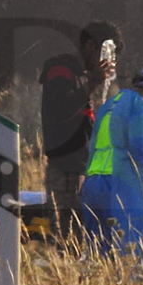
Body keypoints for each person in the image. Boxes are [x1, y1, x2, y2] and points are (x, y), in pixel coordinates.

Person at [80, 65, 143, 259]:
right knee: (136, 252)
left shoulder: (110, 104)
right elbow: (142, 149)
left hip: (93, 185)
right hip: (122, 186)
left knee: (99, 255)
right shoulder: (142, 106)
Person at [40, 21, 123, 243]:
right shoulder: (61, 68)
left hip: (84, 169)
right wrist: (93, 82)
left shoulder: (84, 75)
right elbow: (60, 107)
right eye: (105, 54)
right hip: (65, 169)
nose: (106, 63)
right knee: (65, 239)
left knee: (85, 238)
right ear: (89, 46)